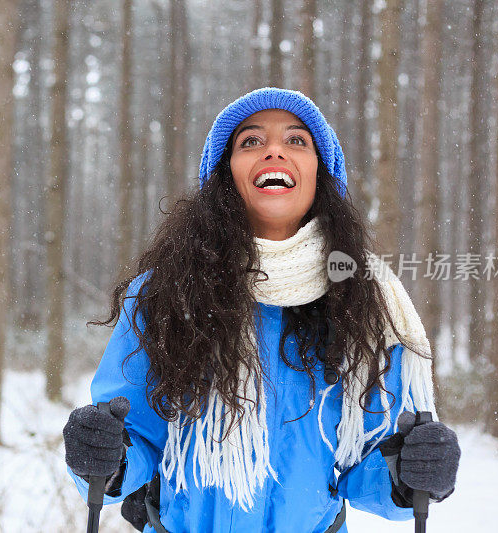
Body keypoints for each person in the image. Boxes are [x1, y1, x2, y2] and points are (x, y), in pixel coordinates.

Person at [63, 87, 460, 532]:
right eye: (250, 141)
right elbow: (133, 436)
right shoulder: (163, 295)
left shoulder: (363, 301)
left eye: (296, 141)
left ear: (321, 174)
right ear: (225, 175)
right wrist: (105, 456)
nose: (274, 150)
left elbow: (372, 457)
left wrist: (411, 474)